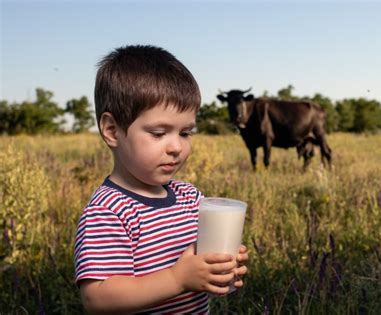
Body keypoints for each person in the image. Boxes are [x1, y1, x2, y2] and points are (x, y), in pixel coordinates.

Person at [74, 45, 249, 314]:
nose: (176, 147)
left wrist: (220, 269)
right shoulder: (109, 211)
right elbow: (97, 298)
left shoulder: (190, 198)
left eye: (186, 133)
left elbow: (200, 262)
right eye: (158, 133)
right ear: (112, 130)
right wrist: (176, 279)